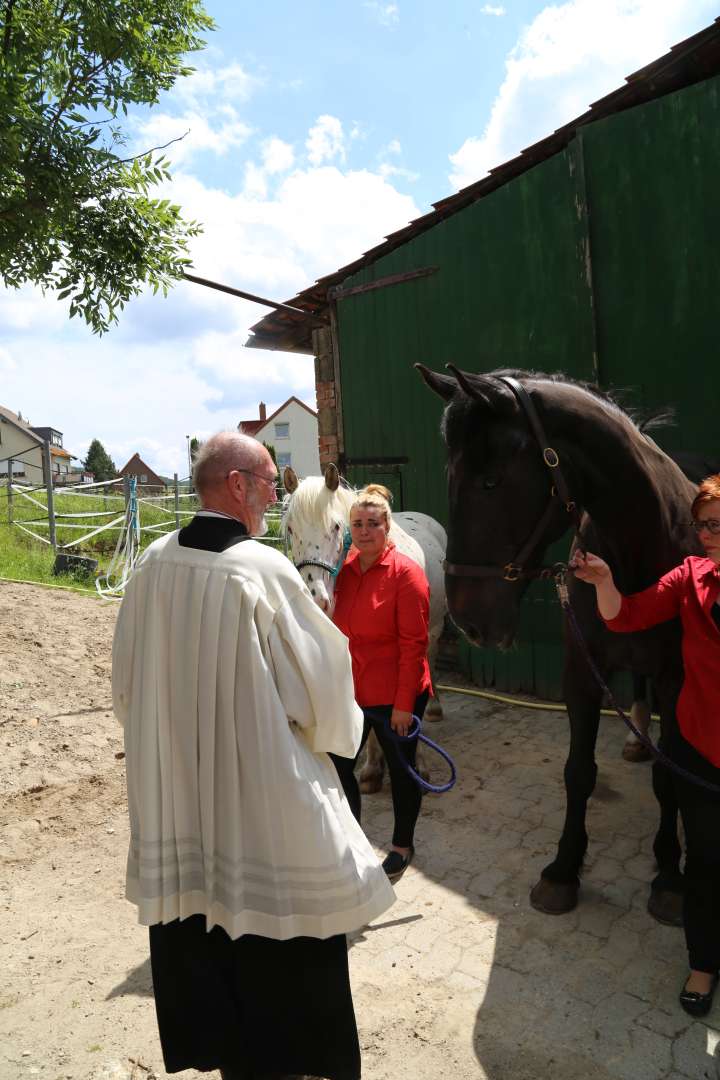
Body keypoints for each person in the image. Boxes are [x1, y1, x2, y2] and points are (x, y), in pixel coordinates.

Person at [112, 432, 395, 1080]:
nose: (275, 494)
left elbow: (126, 685)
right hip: (264, 801)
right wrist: (332, 738)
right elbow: (321, 689)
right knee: (286, 938)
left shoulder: (153, 563)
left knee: (207, 925)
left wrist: (173, 743)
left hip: (182, 797)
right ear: (235, 484)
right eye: (269, 482)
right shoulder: (261, 571)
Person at [571, 473, 720, 1018]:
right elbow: (625, 615)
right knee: (705, 860)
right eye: (702, 525)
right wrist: (604, 580)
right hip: (702, 746)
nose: (708, 535)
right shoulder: (690, 576)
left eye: (718, 524)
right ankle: (704, 964)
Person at [329, 484, 431, 884]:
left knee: (401, 772)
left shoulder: (407, 575)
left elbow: (415, 646)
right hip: (353, 695)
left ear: (387, 526)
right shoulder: (345, 574)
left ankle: (402, 846)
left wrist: (404, 705)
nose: (365, 530)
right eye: (358, 524)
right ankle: (355, 840)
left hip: (395, 696)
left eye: (373, 523)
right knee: (340, 768)